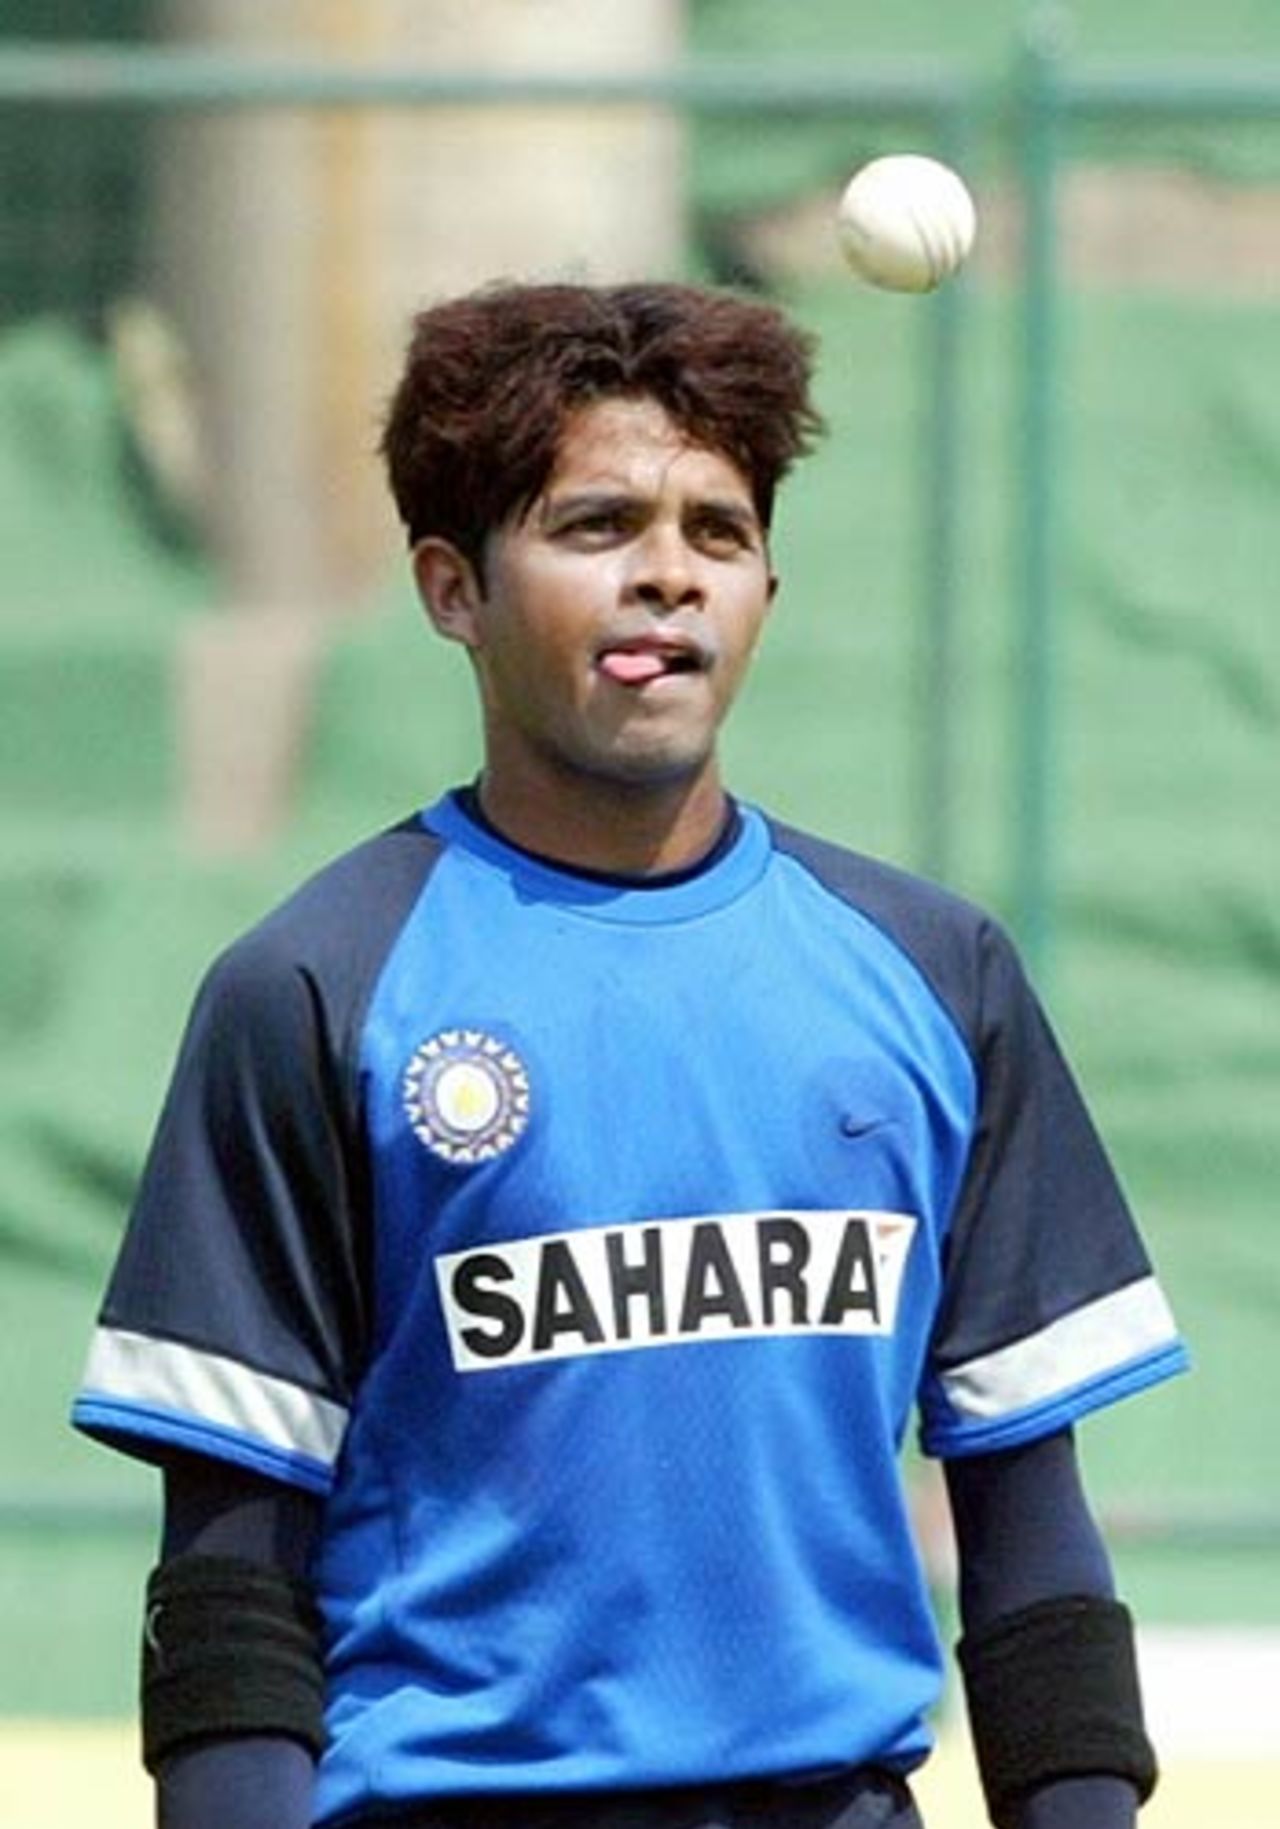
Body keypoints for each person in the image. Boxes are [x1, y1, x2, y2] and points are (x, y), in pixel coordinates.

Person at [73, 280, 1188, 1829]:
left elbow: (1032, 1546)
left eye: (716, 533)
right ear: (452, 587)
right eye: (597, 526)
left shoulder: (940, 974)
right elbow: (230, 1596)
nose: (668, 575)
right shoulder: (314, 987)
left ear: (767, 593)